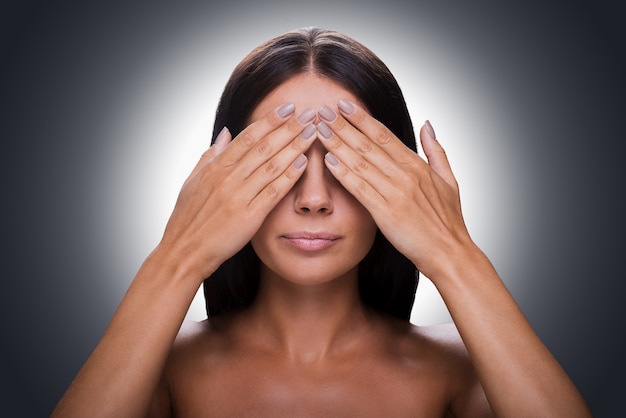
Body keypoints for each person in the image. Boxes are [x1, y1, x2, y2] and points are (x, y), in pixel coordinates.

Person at [51, 27, 592, 417]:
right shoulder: (159, 368)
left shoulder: (463, 370)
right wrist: (179, 254)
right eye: (278, 162)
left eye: (348, 162)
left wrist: (453, 251)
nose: (314, 199)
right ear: (224, 180)